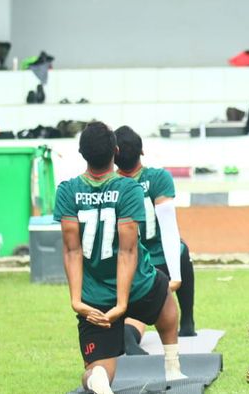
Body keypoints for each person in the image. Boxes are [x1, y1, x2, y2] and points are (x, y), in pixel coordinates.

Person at [55, 122, 186, 394]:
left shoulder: (67, 190)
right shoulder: (129, 189)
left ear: (82, 153)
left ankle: (97, 380)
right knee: (166, 297)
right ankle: (172, 365)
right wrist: (122, 304)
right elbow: (128, 251)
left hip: (94, 296)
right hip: (137, 284)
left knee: (99, 369)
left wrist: (77, 301)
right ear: (115, 151)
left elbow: (71, 250)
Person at [113, 126, 197, 356]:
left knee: (136, 310)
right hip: (161, 258)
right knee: (182, 250)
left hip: (131, 261)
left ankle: (129, 338)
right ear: (142, 152)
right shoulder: (158, 177)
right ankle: (187, 321)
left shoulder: (112, 185)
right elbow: (169, 227)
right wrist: (176, 276)